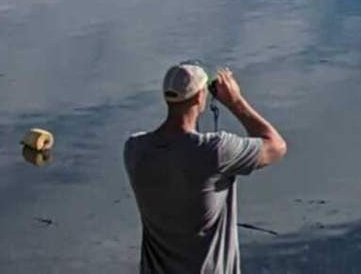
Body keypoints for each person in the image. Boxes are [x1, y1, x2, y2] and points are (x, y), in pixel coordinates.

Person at [122, 61, 286, 274]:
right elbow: (276, 146)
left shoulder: (135, 150)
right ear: (200, 97)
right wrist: (236, 102)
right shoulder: (216, 151)